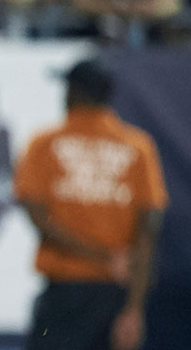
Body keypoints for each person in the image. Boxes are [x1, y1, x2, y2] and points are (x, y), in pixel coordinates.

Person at [14, 59, 167, 350]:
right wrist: (134, 309)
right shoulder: (138, 147)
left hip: (65, 291)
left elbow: (40, 219)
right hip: (118, 292)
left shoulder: (45, 143)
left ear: (73, 92)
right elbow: (148, 230)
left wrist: (102, 257)